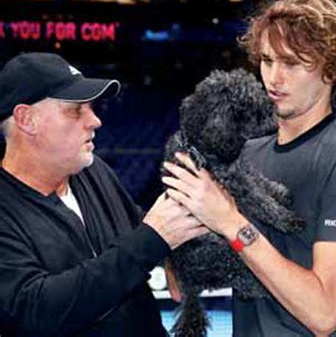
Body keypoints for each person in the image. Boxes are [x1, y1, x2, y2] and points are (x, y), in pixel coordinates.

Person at [163, 0, 336, 336]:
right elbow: (179, 288)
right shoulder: (243, 154)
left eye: (292, 63)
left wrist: (229, 221)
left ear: (330, 69)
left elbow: (324, 314)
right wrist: (184, 211)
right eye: (266, 60)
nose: (273, 78)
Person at [0, 52, 208, 337]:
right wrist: (152, 242)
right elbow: (35, 309)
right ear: (27, 119)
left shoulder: (91, 169)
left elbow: (133, 226)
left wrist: (172, 253)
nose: (95, 120)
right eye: (76, 109)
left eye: (91, 107)